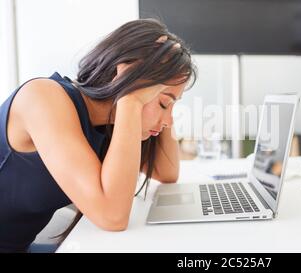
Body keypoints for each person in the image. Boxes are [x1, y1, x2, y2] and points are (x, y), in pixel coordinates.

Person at [0, 19, 196, 253]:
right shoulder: (42, 98)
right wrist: (130, 96)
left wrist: (167, 76)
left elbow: (167, 171)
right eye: (164, 103)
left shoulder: (108, 126)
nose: (169, 121)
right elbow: (112, 217)